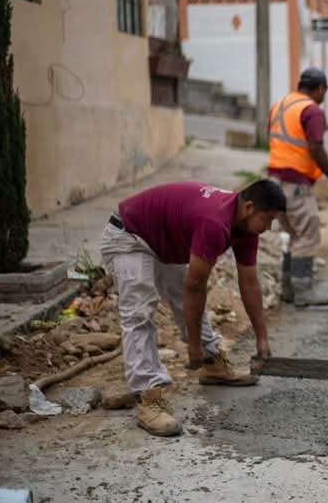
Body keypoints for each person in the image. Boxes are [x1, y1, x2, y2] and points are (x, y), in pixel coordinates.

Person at [99, 179, 286, 437]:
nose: (268, 227)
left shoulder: (246, 227)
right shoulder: (215, 222)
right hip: (129, 234)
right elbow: (195, 288)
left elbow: (250, 282)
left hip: (161, 241)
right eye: (268, 219)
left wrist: (262, 338)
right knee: (139, 312)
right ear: (250, 208)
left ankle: (213, 363)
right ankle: (148, 396)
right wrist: (193, 346)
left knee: (182, 294)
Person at [267, 67, 328, 307]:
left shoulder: (280, 105)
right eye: (324, 92)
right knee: (307, 235)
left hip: (273, 182)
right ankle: (303, 292)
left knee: (293, 234)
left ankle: (288, 290)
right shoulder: (311, 111)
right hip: (296, 183)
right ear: (320, 89)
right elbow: (316, 147)